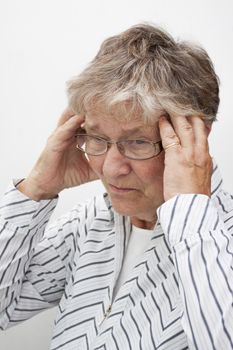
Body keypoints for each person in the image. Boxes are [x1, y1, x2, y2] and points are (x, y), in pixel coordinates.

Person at [0, 23, 232, 350]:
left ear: (194, 137)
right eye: (97, 138)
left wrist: (190, 215)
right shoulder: (93, 221)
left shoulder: (224, 235)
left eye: (137, 142)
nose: (110, 169)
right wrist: (37, 187)